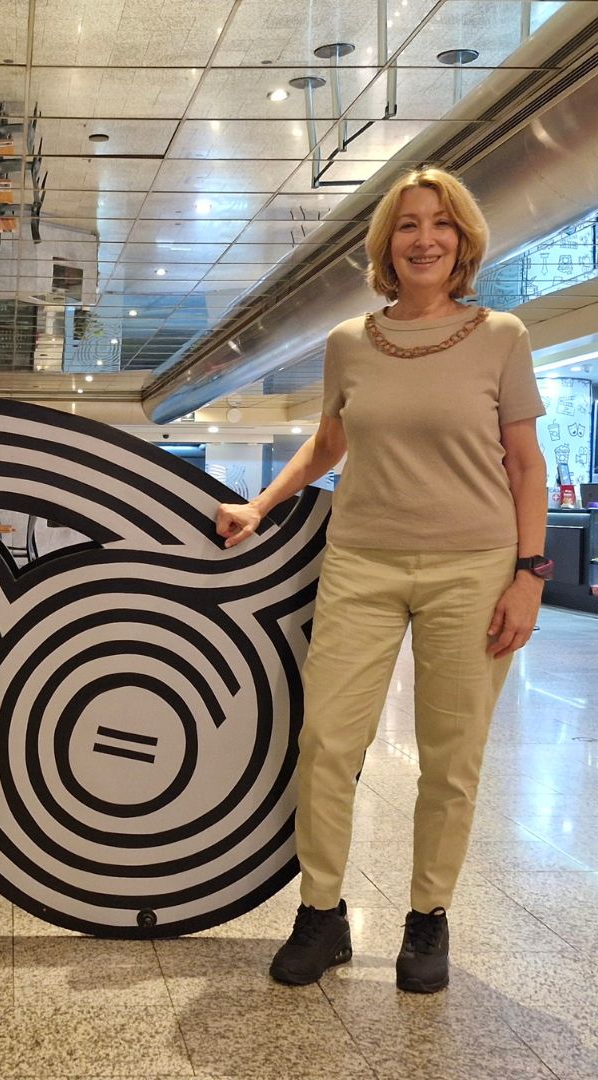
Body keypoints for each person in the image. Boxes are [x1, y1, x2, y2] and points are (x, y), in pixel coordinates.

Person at [216, 167, 548, 994]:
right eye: (407, 225)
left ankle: (427, 917)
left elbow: (525, 464)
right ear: (386, 243)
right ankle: (321, 914)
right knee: (327, 742)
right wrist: (261, 502)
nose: (424, 238)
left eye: (440, 223)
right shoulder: (350, 342)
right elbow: (329, 444)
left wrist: (530, 574)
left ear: (463, 240)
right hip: (361, 560)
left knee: (451, 757)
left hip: (474, 567)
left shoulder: (502, 336)